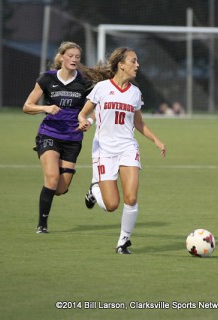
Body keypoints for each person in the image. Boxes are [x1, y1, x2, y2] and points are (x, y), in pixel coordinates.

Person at [76, 47, 166, 254]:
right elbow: (83, 115)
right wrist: (84, 122)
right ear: (121, 64)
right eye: (134, 61)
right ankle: (94, 189)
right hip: (104, 151)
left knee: (131, 198)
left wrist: (156, 140)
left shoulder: (135, 93)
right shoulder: (101, 88)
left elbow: (139, 123)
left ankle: (123, 242)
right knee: (111, 205)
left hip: (127, 148)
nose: (137, 65)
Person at [23, 41, 104, 234]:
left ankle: (92, 191)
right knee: (51, 179)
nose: (74, 59)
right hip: (49, 134)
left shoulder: (84, 82)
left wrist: (88, 121)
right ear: (61, 57)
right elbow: (27, 106)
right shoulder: (47, 79)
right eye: (71, 55)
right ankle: (42, 225)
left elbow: (96, 108)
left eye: (77, 56)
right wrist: (45, 108)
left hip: (72, 139)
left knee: (59, 188)